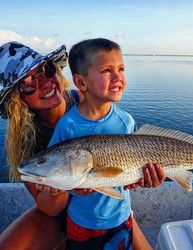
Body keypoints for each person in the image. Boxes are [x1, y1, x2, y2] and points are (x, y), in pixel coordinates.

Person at [0, 41, 167, 250]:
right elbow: (50, 210)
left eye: (47, 70)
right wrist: (60, 190)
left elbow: (127, 148)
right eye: (29, 82)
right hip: (65, 214)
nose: (44, 83)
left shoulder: (86, 98)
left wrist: (136, 175)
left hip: (109, 209)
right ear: (17, 97)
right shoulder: (25, 141)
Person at [47, 37, 161, 250]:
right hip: (81, 221)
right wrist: (73, 189)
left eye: (121, 68)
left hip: (121, 217)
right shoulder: (67, 125)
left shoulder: (126, 121)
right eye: (107, 70)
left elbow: (129, 173)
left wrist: (142, 178)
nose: (118, 76)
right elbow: (60, 170)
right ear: (81, 82)